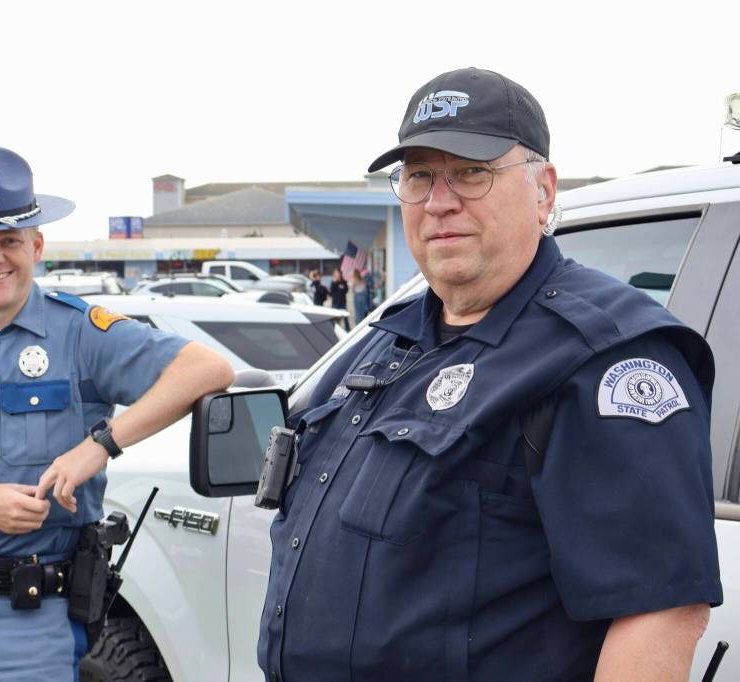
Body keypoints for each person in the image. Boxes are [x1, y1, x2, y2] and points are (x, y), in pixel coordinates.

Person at [258, 68, 721, 682]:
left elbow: (660, 612)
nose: (439, 200)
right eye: (419, 175)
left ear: (544, 191)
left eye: (472, 172)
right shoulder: (386, 340)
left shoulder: (601, 358)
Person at [0, 146, 234, 682]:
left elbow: (206, 368)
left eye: (9, 240)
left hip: (34, 623)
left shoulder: (80, 333)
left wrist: (97, 445)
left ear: (36, 244)